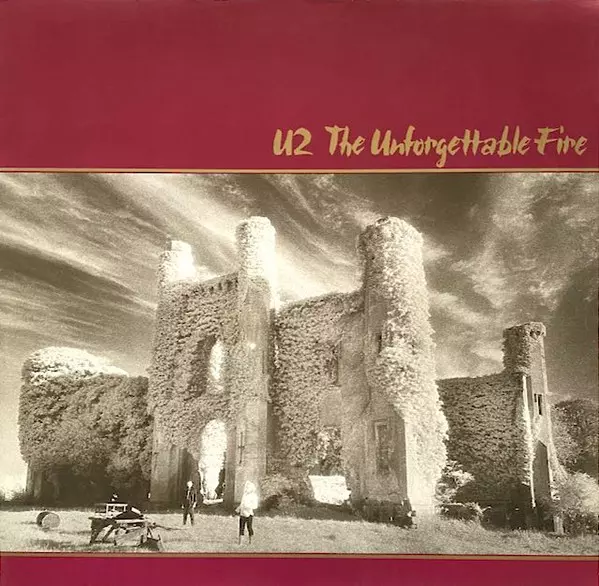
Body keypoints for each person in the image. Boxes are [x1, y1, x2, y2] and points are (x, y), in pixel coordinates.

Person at [235, 481, 258, 545]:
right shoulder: (244, 495)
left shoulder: (254, 496)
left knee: (249, 527)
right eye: (246, 487)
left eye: (248, 487)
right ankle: (240, 542)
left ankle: (251, 542)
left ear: (252, 488)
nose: (246, 489)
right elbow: (242, 503)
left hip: (249, 514)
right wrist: (239, 508)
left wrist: (248, 507)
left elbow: (255, 506)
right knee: (241, 527)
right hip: (242, 513)